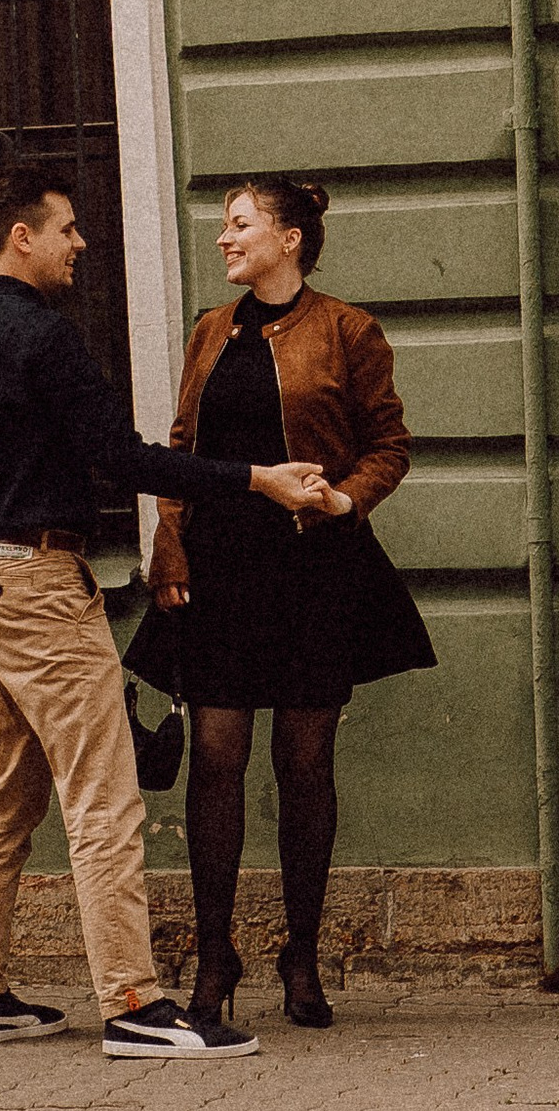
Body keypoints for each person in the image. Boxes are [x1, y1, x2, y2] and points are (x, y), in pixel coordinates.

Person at [0, 163, 338, 1058]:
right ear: (21, 236)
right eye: (66, 228)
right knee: (103, 800)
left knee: (5, 795)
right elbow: (125, 458)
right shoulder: (45, 337)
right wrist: (256, 478)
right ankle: (135, 1004)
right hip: (36, 580)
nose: (80, 243)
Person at [131, 175, 435, 1032]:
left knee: (305, 764)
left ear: (290, 237)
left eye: (240, 224)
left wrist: (343, 499)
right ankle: (214, 952)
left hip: (313, 568)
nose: (224, 239)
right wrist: (170, 542)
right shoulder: (209, 331)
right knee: (217, 755)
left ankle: (301, 953)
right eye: (224, 226)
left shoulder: (347, 330)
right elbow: (181, 449)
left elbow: (390, 444)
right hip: (221, 568)